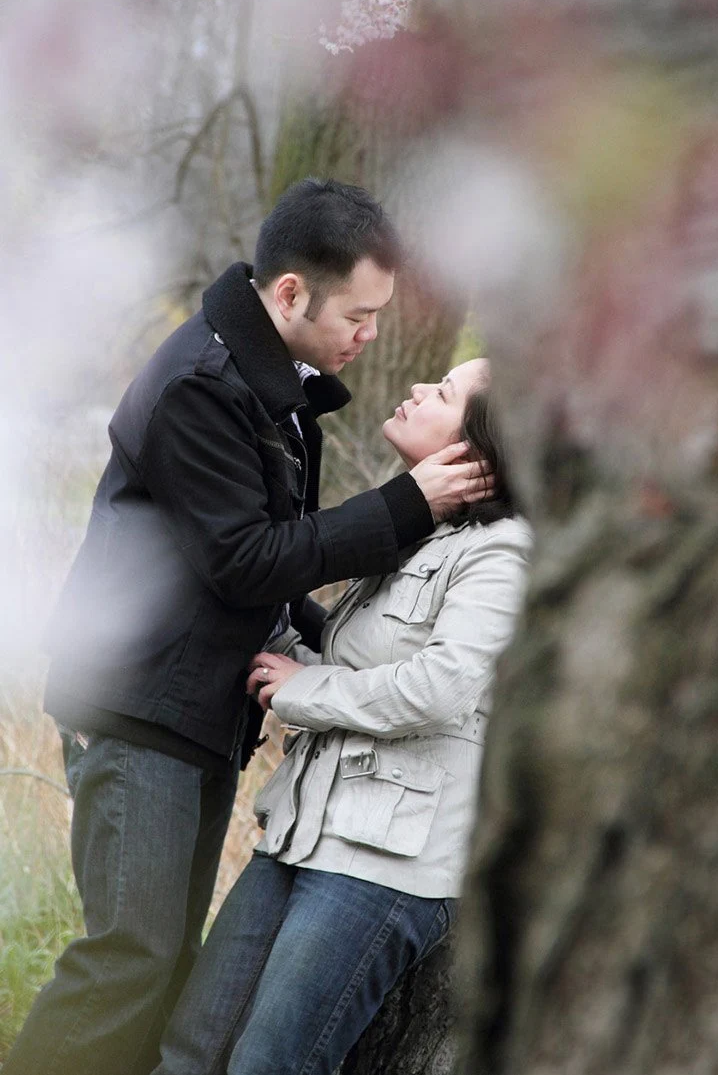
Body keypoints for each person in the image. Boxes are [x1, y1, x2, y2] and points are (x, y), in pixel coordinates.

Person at [6, 179, 491, 1075]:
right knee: (128, 962)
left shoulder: (270, 380)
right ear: (292, 293)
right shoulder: (203, 383)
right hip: (135, 707)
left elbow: (263, 573)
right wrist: (406, 503)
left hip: (191, 712)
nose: (372, 336)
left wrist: (318, 665)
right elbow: (246, 558)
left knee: (159, 967)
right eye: (361, 313)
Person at [150, 358, 529, 1075]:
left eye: (443, 392)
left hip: (385, 863)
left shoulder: (502, 553)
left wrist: (299, 689)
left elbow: (438, 686)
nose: (417, 390)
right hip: (303, 831)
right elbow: (349, 662)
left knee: (270, 1064)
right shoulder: (415, 535)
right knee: (190, 1049)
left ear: (479, 451)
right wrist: (254, 625)